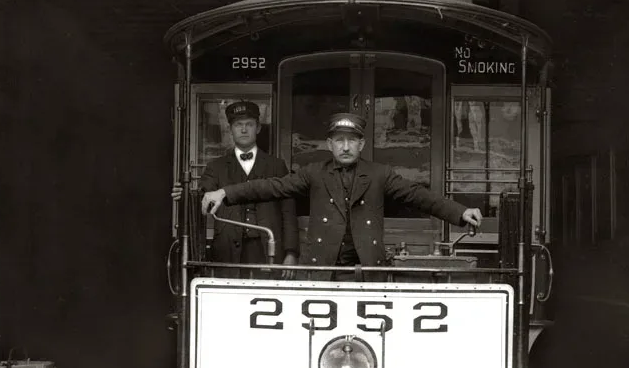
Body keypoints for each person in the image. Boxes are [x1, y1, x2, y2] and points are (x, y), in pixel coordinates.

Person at [200, 112, 482, 272]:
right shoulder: (314, 172)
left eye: (352, 141)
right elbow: (273, 186)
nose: (345, 147)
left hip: (367, 269)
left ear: (361, 145)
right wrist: (225, 192)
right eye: (339, 141)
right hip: (321, 269)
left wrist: (460, 212)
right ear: (329, 144)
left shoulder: (379, 174)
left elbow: (418, 195)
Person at [174, 100, 298, 275]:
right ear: (230, 129)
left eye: (249, 124)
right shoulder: (216, 167)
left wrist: (291, 253)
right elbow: (203, 196)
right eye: (238, 125)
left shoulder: (276, 166)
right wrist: (185, 196)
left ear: (258, 128)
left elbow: (288, 212)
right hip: (228, 253)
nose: (244, 129)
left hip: (267, 251)